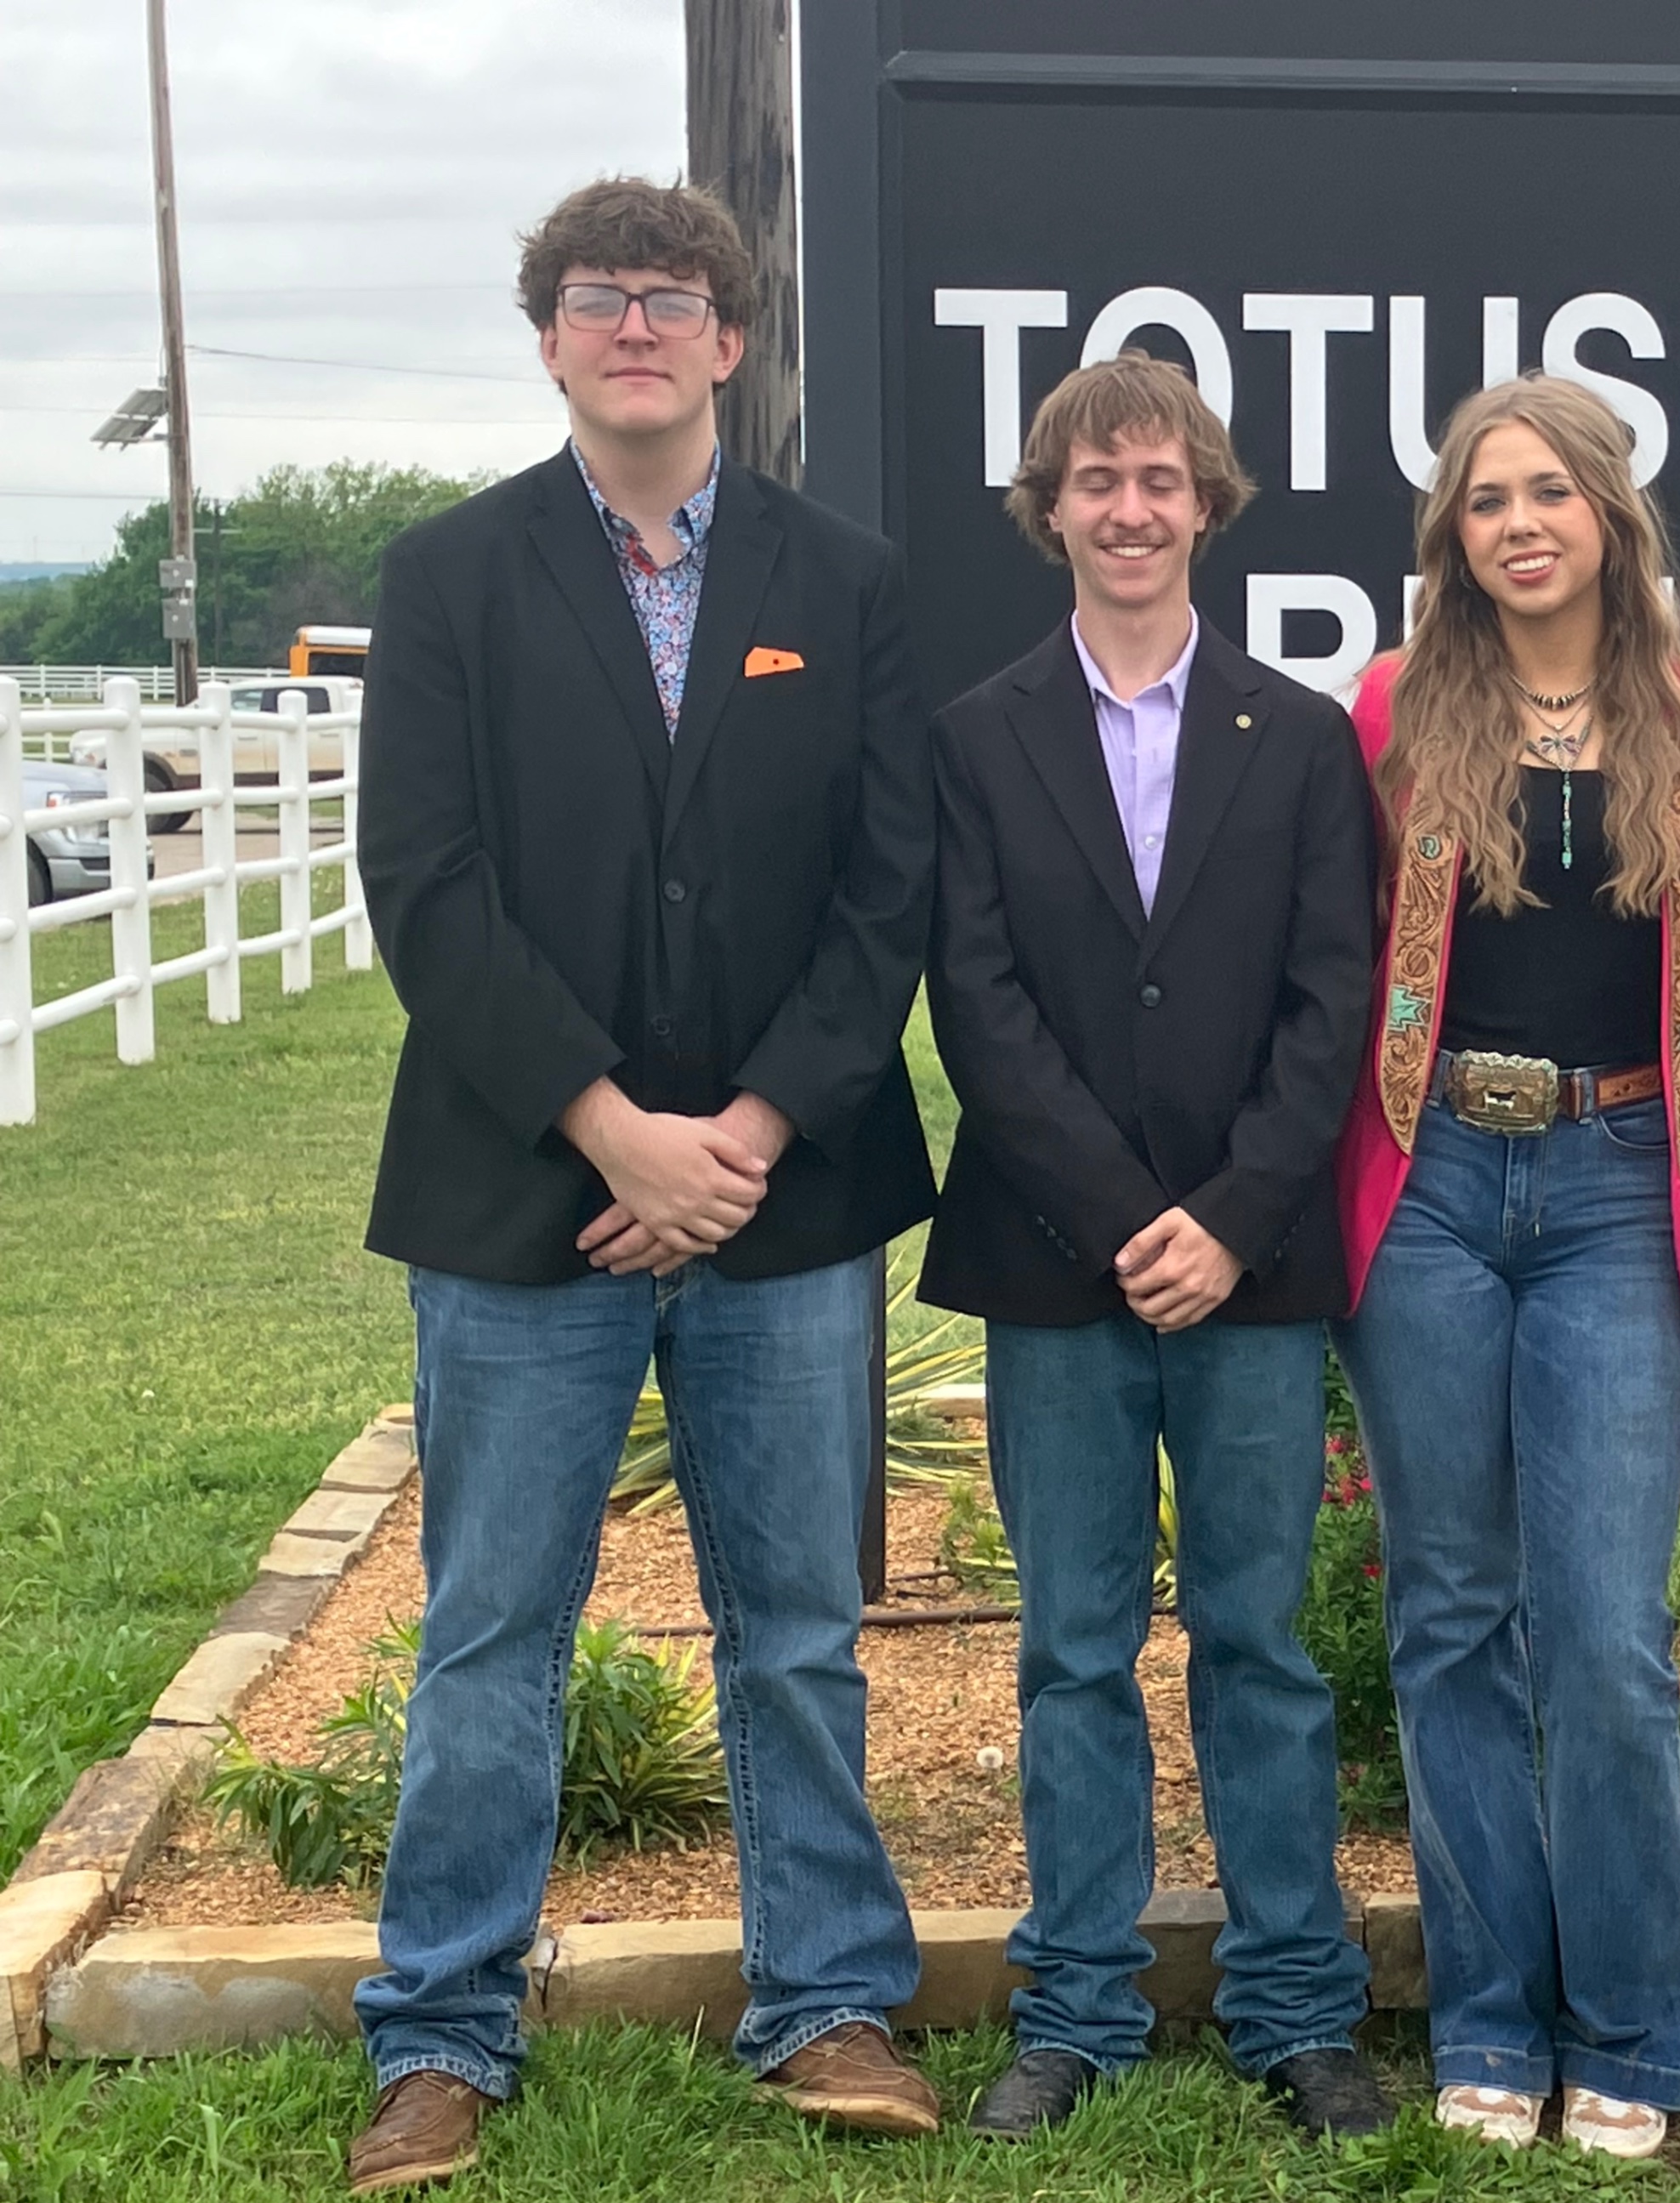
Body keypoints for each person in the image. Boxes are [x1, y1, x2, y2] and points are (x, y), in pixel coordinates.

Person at [349, 179, 943, 2193]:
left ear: (730, 338)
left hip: (784, 1200)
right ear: (548, 337)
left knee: (795, 1622)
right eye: (595, 299)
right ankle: (440, 2025)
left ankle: (833, 1999)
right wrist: (611, 1127)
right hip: (529, 1194)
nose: (633, 326)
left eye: (671, 299)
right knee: (491, 1626)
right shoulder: (447, 580)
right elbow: (426, 891)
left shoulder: (842, 581)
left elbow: (890, 889)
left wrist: (749, 1136)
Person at [919, 351, 1389, 2141]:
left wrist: (1236, 1214)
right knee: (1072, 1646)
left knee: (1260, 1642)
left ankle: (1293, 2007)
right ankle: (1081, 2007)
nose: (1129, 508)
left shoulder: (1302, 734)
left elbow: (1332, 998)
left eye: (1161, 477)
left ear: (1210, 503)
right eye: (1096, 479)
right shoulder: (978, 736)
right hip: (1057, 1268)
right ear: (1050, 510)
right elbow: (977, 1002)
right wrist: (1131, 1222)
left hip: (1256, 1273)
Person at [1329, 372, 1680, 2160]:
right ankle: (1490, 2023)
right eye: (1486, 498)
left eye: (1549, 493)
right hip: (1425, 1176)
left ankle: (1641, 2025)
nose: (1519, 524)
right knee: (1449, 1620)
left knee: (1602, 1636)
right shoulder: (1388, 713)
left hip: (1609, 1182)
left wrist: (1633, 1124)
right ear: (1454, 531)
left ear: (1610, 513)